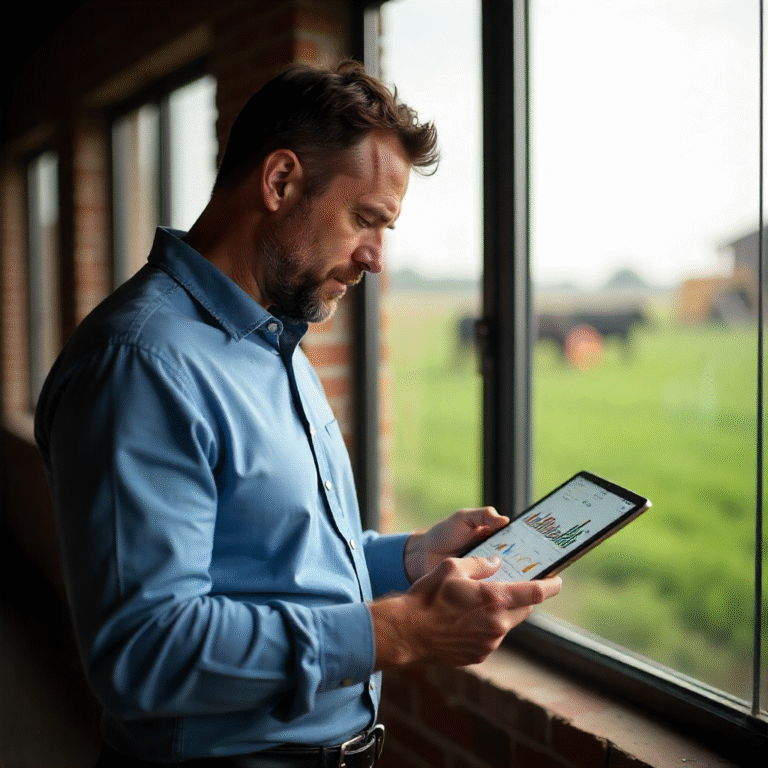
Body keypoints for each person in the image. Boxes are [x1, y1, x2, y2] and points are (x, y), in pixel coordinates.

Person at [34, 61, 561, 767]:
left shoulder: (271, 341)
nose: (376, 258)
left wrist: (408, 560)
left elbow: (276, 564)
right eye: (366, 219)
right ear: (280, 182)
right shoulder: (142, 363)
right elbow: (145, 653)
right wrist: (396, 633)